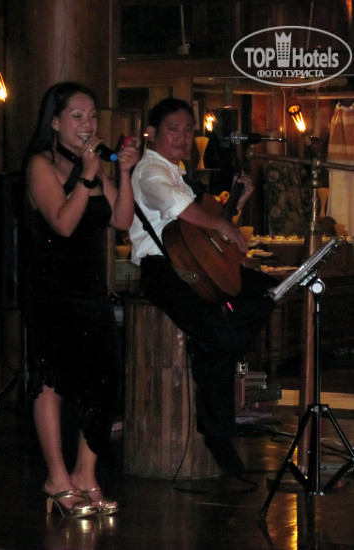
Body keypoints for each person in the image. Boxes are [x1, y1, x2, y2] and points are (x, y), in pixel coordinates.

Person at [129, 98, 278, 475]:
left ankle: (213, 343)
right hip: (164, 269)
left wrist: (235, 206)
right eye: (173, 129)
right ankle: (216, 434)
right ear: (152, 133)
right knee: (220, 339)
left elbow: (205, 224)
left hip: (196, 263)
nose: (182, 137)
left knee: (267, 291)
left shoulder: (179, 173)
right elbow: (182, 211)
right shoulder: (150, 171)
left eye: (188, 130)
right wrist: (223, 223)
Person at [22, 81, 139, 517]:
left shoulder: (93, 167)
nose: (87, 124)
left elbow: (122, 220)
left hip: (91, 288)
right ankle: (57, 479)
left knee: (105, 378)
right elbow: (63, 224)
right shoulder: (42, 165)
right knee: (52, 379)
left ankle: (86, 475)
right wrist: (88, 174)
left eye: (91, 116)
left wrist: (123, 173)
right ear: (55, 122)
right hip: (52, 289)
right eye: (77, 116)